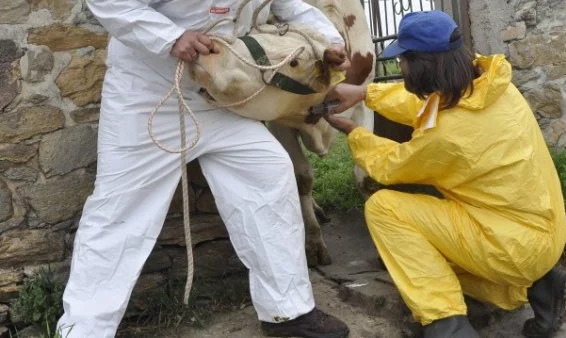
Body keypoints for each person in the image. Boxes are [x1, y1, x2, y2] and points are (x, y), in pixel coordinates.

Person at [56, 0, 350, 337]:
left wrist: (329, 42)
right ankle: (84, 329)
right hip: (147, 96)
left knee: (268, 172)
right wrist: (170, 37)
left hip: (221, 93)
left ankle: (288, 313)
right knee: (120, 210)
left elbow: (290, 6)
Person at [324, 10, 566, 338]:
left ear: (422, 66)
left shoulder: (446, 135)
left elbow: (392, 165)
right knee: (436, 257)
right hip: (548, 233)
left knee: (384, 210)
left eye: (404, 61)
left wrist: (355, 132)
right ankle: (542, 285)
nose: (401, 68)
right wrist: (366, 94)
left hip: (512, 249)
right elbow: (425, 107)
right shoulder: (493, 86)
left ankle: (448, 325)